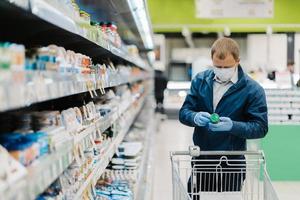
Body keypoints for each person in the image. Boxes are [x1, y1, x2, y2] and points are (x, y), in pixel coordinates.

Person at [179, 37, 268, 199]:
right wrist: (194, 116)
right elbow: (184, 112)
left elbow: (260, 127)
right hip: (202, 159)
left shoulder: (253, 90)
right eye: (217, 66)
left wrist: (233, 126)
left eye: (226, 67)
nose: (221, 70)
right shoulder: (200, 81)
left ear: (238, 61)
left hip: (231, 164)